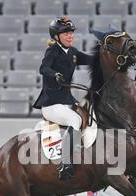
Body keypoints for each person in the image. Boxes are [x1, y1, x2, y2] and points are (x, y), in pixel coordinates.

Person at [32, 17, 92, 181]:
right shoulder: (53, 51)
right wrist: (55, 74)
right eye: (66, 33)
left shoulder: (72, 52)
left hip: (67, 101)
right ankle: (65, 164)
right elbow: (43, 68)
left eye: (71, 32)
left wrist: (108, 57)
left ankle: (85, 153)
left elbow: (90, 60)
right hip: (51, 104)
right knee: (75, 120)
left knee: (89, 115)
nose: (70, 36)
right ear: (56, 36)